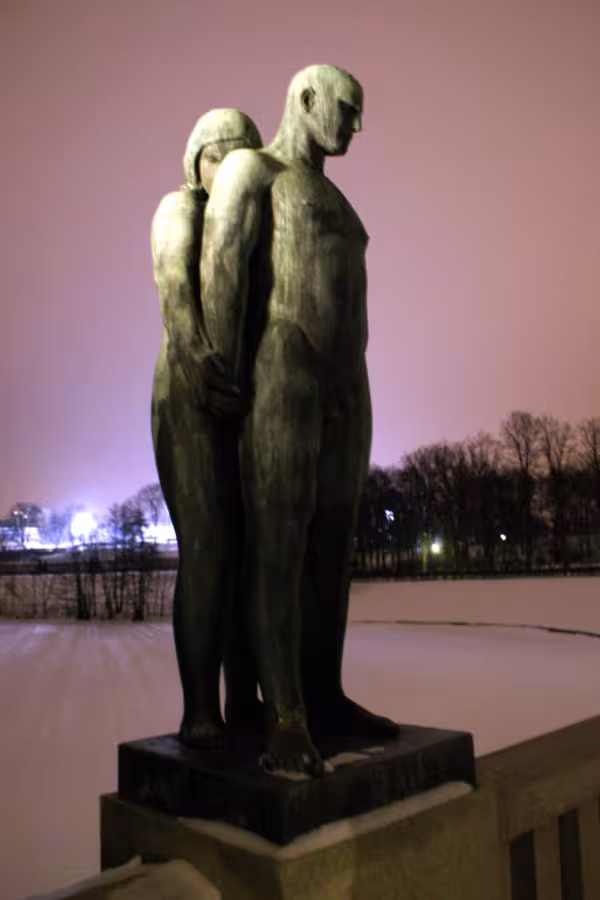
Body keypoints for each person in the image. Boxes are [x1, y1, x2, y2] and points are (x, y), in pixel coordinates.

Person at [200, 66, 399, 776]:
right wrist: (221, 360)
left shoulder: (338, 198)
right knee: (278, 539)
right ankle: (281, 709)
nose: (355, 126)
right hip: (283, 360)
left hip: (349, 382)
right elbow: (223, 255)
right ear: (307, 100)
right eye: (347, 110)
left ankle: (322, 692)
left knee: (333, 548)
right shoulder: (254, 170)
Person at [151, 109, 262, 748]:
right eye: (224, 154)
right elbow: (173, 285)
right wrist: (198, 358)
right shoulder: (179, 210)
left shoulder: (244, 221)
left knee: (250, 549)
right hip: (187, 392)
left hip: (239, 395)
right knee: (209, 548)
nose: (235, 167)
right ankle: (201, 710)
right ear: (197, 160)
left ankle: (244, 698)